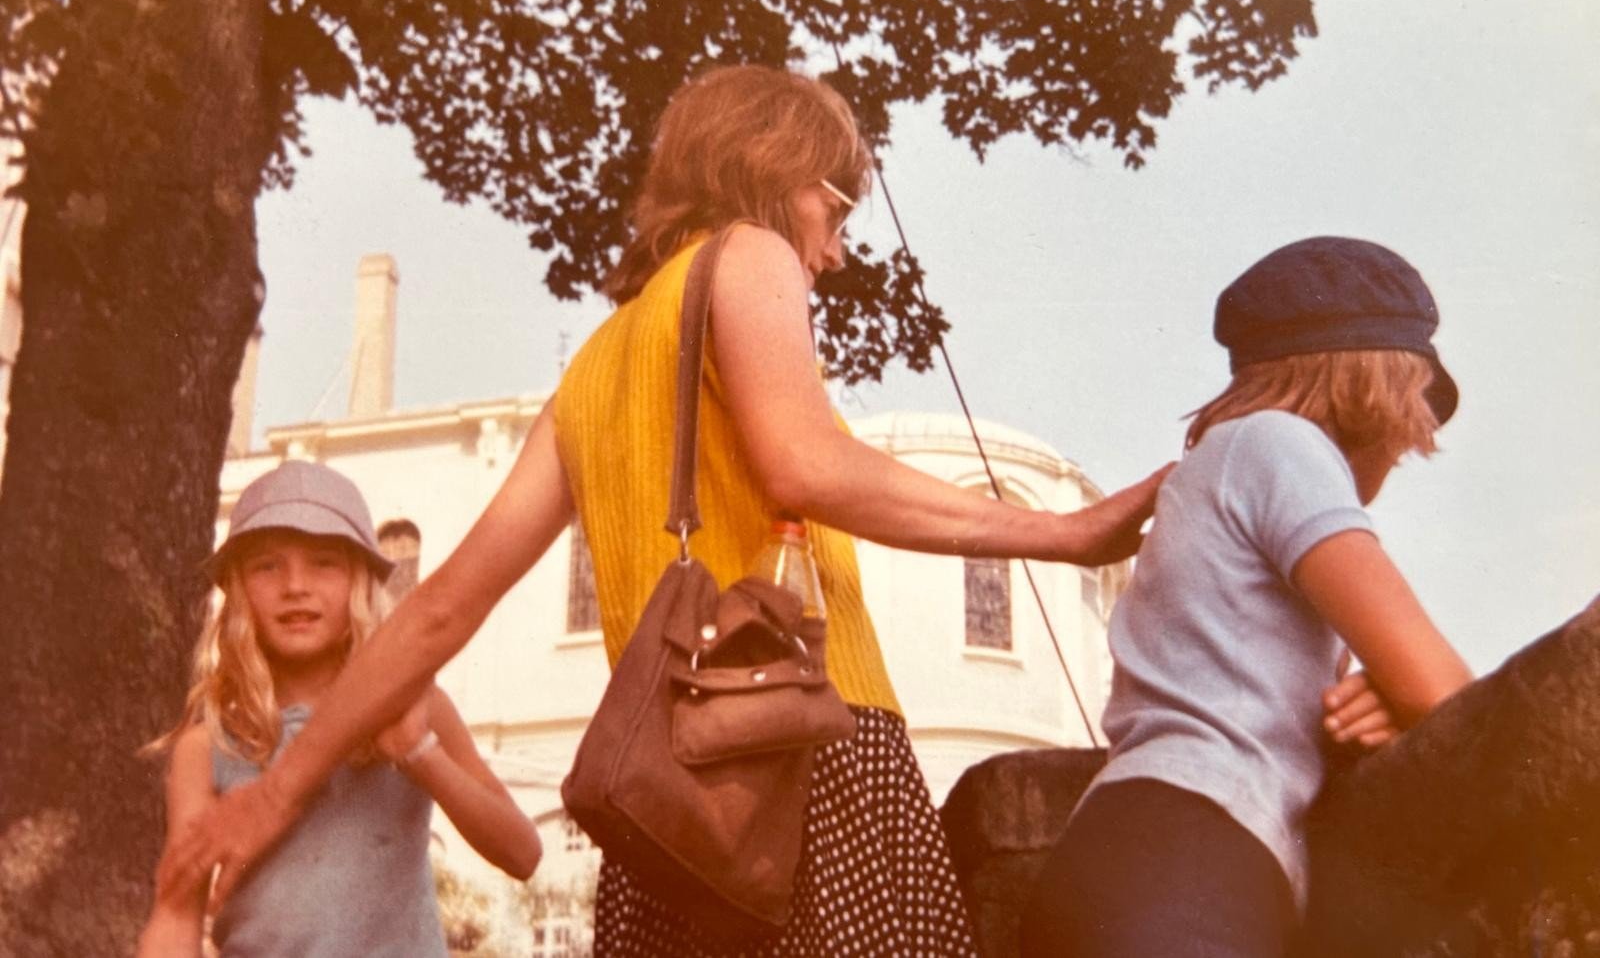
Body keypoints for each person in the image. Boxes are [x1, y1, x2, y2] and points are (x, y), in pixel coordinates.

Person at [156, 64, 1169, 955]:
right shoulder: (750, 252)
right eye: (838, 206)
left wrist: (276, 793)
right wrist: (1067, 532)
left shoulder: (594, 365)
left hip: (664, 813)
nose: (838, 249)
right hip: (808, 757)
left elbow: (436, 611)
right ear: (779, 170)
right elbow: (804, 462)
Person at [1019, 236, 1476, 957]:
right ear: (1382, 391)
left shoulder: (1229, 458)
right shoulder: (1280, 445)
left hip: (1142, 856)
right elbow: (1445, 691)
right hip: (1189, 858)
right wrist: (1408, 693)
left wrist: (1380, 707)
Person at [137, 461, 541, 957]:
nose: (295, 585)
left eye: (323, 562)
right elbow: (176, 916)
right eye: (268, 565)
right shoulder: (207, 746)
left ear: (359, 580)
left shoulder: (419, 706)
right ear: (238, 588)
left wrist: (421, 753)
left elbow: (523, 851)